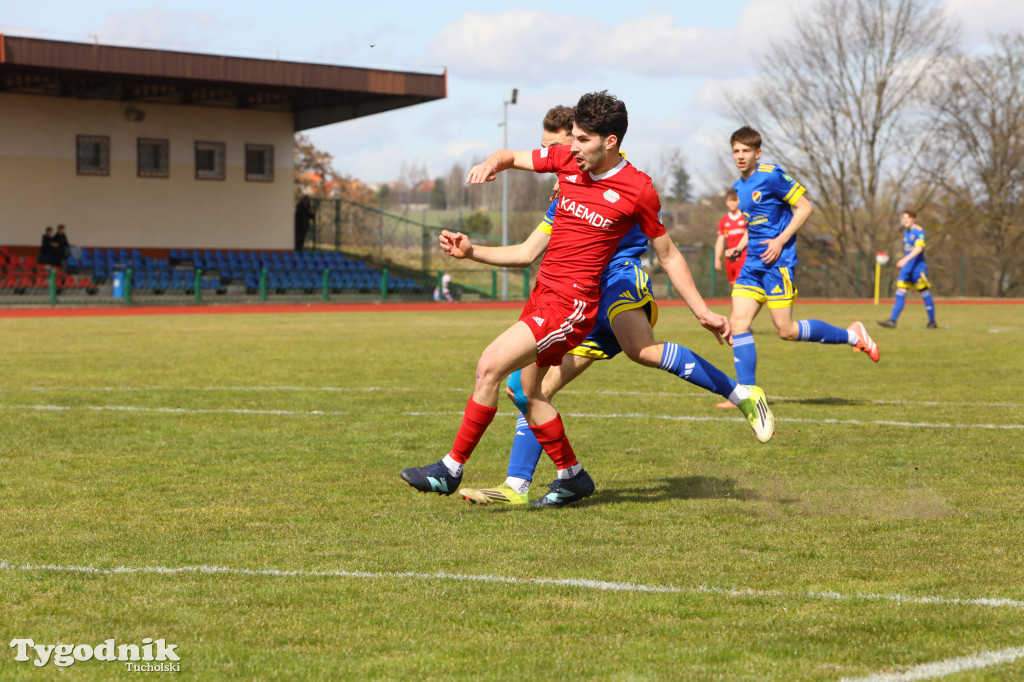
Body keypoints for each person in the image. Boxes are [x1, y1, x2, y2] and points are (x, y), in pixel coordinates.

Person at [400, 91, 732, 507]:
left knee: (489, 367)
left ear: (609, 141)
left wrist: (702, 311)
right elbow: (511, 165)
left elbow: (668, 254)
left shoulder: (637, 189)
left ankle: (451, 469)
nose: (570, 148)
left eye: (581, 139)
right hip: (542, 297)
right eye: (571, 138)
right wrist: (489, 169)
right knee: (526, 392)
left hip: (571, 307)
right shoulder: (566, 163)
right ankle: (571, 476)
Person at [723, 126, 879, 400]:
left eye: (746, 150)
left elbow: (805, 207)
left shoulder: (771, 176)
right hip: (751, 264)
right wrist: (739, 246)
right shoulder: (740, 186)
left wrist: (781, 240)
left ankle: (853, 335)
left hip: (778, 263)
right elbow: (754, 224)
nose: (740, 156)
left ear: (757, 153)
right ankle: (748, 395)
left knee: (786, 331)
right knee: (738, 323)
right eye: (736, 150)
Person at [878, 209, 937, 329]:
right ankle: (892, 321)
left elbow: (918, 249)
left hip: (917, 268)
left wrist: (905, 259)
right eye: (903, 218)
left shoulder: (919, 231)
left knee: (924, 292)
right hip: (907, 268)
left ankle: (932, 321)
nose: (905, 220)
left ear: (914, 219)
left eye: (908, 218)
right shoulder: (906, 233)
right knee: (900, 291)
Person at [714, 190, 747, 287]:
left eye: (735, 200)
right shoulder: (723, 221)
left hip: (744, 256)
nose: (732, 203)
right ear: (726, 202)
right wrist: (717, 259)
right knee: (734, 285)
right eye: (730, 201)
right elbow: (720, 241)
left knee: (740, 285)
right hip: (730, 257)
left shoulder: (745, 218)